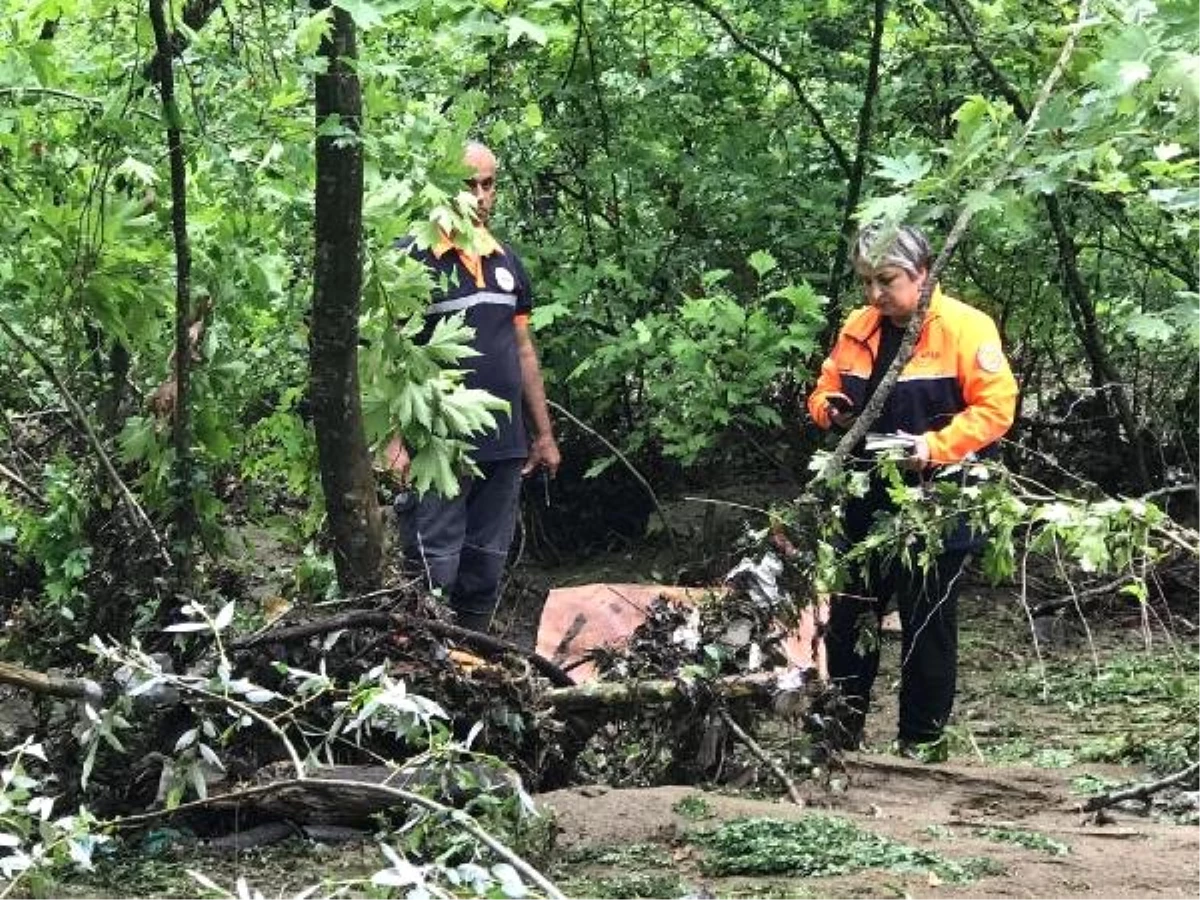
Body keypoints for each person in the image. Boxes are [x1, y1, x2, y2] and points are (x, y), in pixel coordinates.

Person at [807, 224, 1017, 757]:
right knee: (850, 616)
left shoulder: (966, 328)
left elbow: (996, 409)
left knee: (927, 623)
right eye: (867, 282)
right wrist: (827, 408)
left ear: (922, 274)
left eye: (887, 280)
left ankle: (920, 744)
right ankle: (838, 736)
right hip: (864, 495)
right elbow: (826, 385)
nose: (876, 294)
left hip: (938, 499)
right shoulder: (859, 326)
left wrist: (934, 447)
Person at [385, 142, 561, 632]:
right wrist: (393, 439)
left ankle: (473, 655)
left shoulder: (506, 262)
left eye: (489, 184)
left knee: (485, 561)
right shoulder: (409, 261)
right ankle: (424, 658)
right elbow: (387, 355)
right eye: (470, 185)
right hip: (438, 441)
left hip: (503, 441)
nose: (481, 197)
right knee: (434, 562)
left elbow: (523, 351)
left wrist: (542, 434)